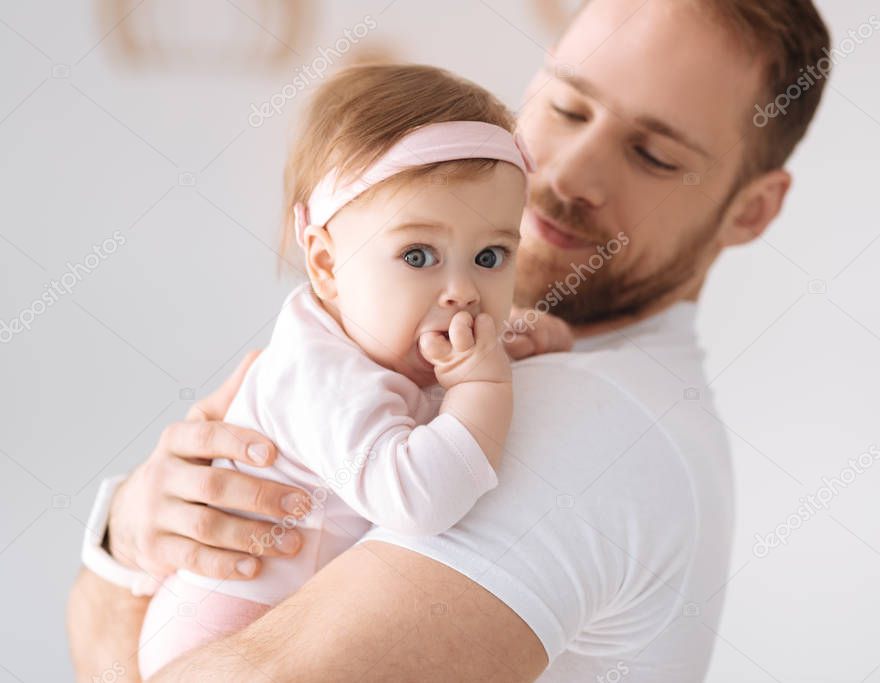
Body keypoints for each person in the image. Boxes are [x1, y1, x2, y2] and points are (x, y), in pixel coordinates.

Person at [67, 0, 831, 680]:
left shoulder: (584, 413)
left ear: (752, 210)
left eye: (654, 155)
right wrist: (128, 532)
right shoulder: (470, 351)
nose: (567, 174)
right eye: (566, 109)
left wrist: (112, 584)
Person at [133, 63, 564, 678]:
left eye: (490, 256)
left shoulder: (381, 335)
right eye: (418, 255)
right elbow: (420, 498)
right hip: (224, 635)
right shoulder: (320, 377)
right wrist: (483, 385)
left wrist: (515, 331)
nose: (463, 292)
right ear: (328, 264)